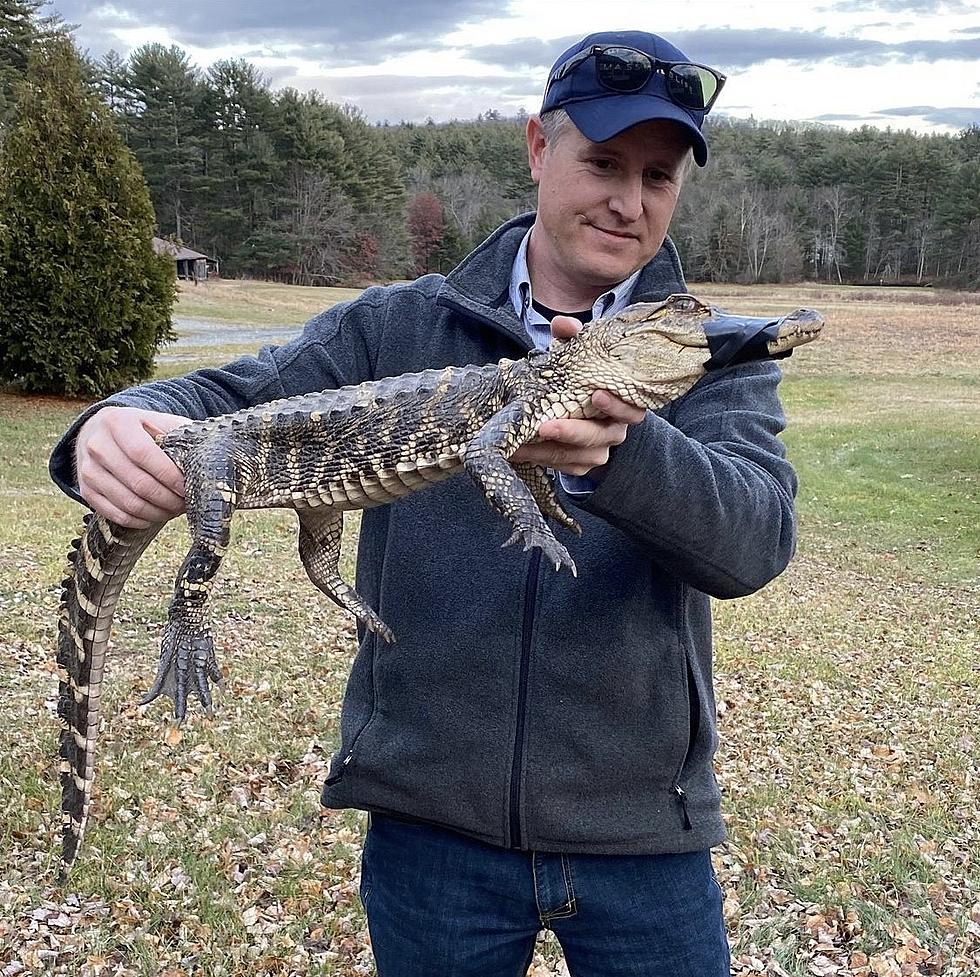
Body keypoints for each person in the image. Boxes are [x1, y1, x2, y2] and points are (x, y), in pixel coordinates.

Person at [50, 30, 796, 977]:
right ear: (537, 148)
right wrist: (113, 424)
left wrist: (620, 451)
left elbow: (756, 540)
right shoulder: (396, 324)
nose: (628, 199)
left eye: (659, 176)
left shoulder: (699, 354)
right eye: (603, 162)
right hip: (431, 831)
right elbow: (231, 400)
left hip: (645, 834)